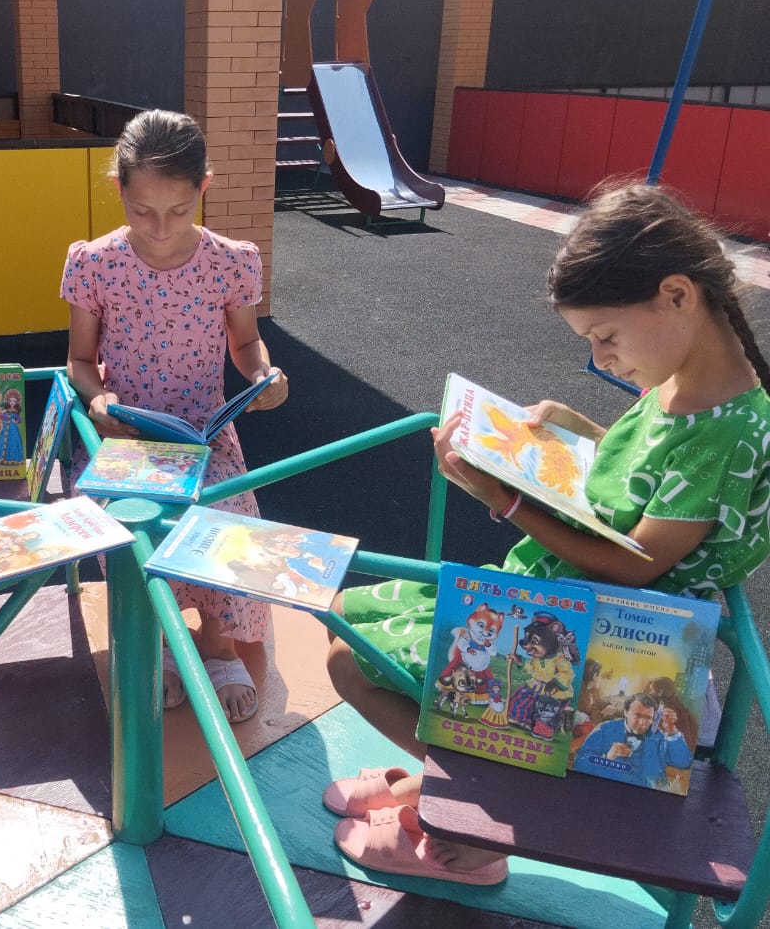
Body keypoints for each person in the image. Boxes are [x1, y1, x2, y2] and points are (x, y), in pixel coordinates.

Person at [323, 182, 770, 879]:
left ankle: (479, 816)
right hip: (567, 603)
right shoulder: (685, 383)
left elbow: (638, 565)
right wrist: (573, 427)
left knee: (347, 660)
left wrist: (505, 500)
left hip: (607, 642)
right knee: (346, 613)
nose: (601, 358)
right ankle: (455, 781)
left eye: (606, 335)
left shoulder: (727, 429)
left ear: (678, 295)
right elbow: (646, 475)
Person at [60, 109, 289, 723]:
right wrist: (97, 400)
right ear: (118, 190)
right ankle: (158, 634)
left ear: (203, 188)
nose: (160, 229)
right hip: (125, 432)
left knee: (226, 510)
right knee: (129, 514)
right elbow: (80, 359)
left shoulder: (230, 261)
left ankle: (217, 639)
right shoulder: (95, 262)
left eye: (179, 210)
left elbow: (246, 343)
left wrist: (263, 374)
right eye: (142, 211)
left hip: (204, 432)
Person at [572, 692, 692, 790]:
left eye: (648, 718)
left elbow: (683, 762)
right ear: (626, 712)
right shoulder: (605, 729)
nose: (642, 723)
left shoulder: (658, 736)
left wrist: (672, 730)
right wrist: (608, 758)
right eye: (638, 716)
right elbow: (580, 763)